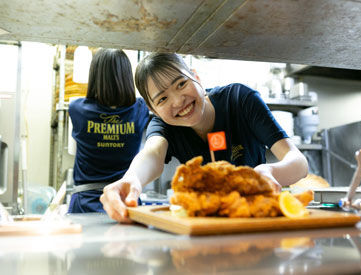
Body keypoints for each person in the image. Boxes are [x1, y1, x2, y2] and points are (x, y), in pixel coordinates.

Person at [100, 53, 308, 222]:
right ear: (152, 109)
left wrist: (268, 172)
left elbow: (298, 162)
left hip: (256, 219)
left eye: (181, 84)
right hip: (207, 224)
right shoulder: (165, 125)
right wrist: (131, 178)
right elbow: (152, 154)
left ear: (196, 77)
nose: (178, 101)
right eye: (162, 98)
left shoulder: (240, 99)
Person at [68, 49, 150, 213]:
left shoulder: (77, 108)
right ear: (127, 76)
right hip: (126, 201)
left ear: (95, 76)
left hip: (86, 202)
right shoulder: (141, 109)